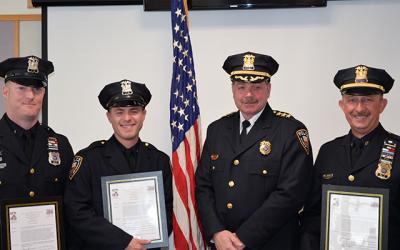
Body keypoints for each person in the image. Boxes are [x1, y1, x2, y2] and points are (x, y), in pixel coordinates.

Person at [195, 51, 313, 249]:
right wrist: (216, 232)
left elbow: (291, 194)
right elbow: (203, 186)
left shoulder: (291, 131)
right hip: (222, 244)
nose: (248, 95)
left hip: (272, 243)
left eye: (257, 87)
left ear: (268, 89)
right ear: (233, 89)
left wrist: (242, 238)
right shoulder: (217, 130)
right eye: (241, 87)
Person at [64, 79, 173, 250]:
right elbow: (77, 212)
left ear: (144, 114)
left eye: (134, 111)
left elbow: (167, 210)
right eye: (119, 112)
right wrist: (123, 241)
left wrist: (148, 240)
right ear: (109, 116)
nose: (127, 118)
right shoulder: (88, 160)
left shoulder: (159, 160)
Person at [300, 64, 399, 250]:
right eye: (352, 100)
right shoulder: (328, 151)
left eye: (368, 100)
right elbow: (313, 215)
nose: (359, 108)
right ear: (342, 105)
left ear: (382, 105)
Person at [0, 56, 74, 247]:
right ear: (5, 91)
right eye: (22, 88)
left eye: (37, 89)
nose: (30, 96)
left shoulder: (61, 145)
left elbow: (72, 208)